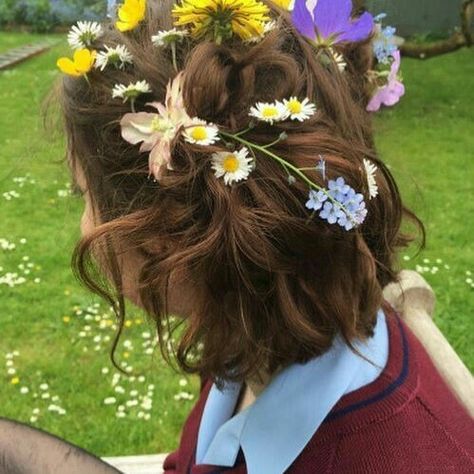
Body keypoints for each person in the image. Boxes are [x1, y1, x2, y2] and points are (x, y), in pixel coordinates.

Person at [1, 0, 473, 473]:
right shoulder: (253, 317)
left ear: (174, 237)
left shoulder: (397, 459)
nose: (84, 225)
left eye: (81, 194)